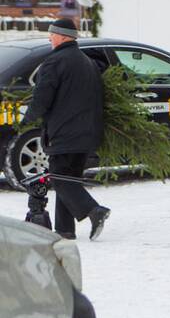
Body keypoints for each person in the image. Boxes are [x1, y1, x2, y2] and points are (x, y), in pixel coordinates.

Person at [22, 19, 109, 241]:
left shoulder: (55, 61)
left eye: (52, 35)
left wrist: (28, 118)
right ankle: (64, 230)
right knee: (69, 179)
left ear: (62, 36)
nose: (50, 38)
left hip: (64, 132)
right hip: (86, 132)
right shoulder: (87, 62)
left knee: (60, 180)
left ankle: (93, 210)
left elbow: (42, 96)